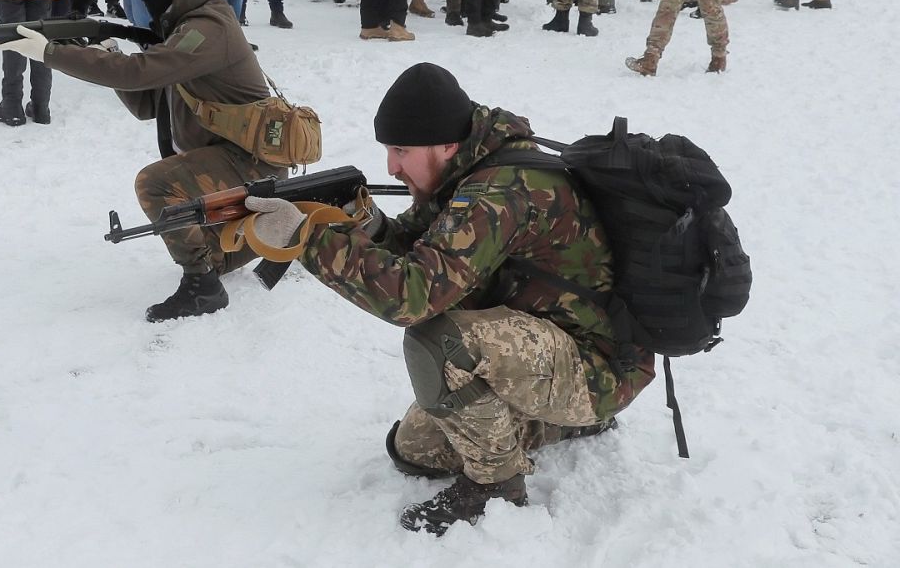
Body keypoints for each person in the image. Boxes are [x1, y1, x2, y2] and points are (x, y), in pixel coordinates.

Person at [241, 62, 653, 536]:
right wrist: (366, 223)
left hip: (597, 365)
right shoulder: (470, 169)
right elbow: (423, 253)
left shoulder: (501, 192)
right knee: (414, 451)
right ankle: (566, 425)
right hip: (545, 347)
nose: (391, 167)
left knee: (438, 339)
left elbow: (411, 297)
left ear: (447, 145)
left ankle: (498, 486)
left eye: (401, 151)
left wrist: (308, 239)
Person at [0, 0, 284, 321]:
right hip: (232, 158)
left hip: (252, 161)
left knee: (155, 183)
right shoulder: (184, 31)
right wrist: (108, 53)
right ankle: (270, 232)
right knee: (215, 242)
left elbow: (140, 72)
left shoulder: (207, 27)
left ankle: (203, 286)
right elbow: (149, 102)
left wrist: (51, 53)